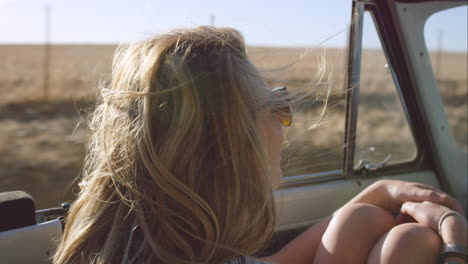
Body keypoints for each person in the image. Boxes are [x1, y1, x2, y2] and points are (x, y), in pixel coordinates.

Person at [53, 26, 467, 264]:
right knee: (409, 244)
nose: (285, 124)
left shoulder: (156, 247)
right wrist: (454, 248)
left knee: (366, 223)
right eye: (275, 107)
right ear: (227, 147)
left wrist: (374, 196)